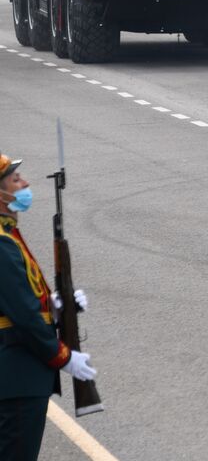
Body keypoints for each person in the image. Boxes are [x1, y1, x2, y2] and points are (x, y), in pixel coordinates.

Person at [0, 153, 96, 461]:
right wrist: (63, 357)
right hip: (17, 375)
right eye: (15, 180)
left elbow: (20, 299)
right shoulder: (2, 242)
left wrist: (56, 306)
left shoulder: (8, 234)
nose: (25, 184)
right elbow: (24, 316)